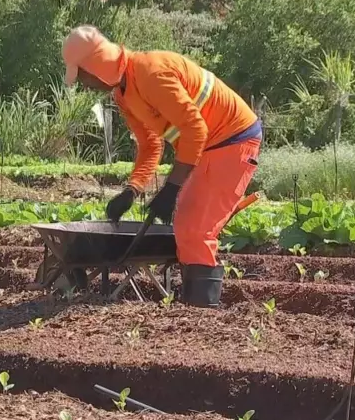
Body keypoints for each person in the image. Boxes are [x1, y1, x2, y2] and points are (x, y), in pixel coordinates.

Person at [61, 25, 262, 308]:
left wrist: (172, 188)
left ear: (97, 66)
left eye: (82, 75)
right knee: (188, 226)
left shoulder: (151, 72)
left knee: (194, 229)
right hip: (208, 146)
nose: (84, 84)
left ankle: (202, 313)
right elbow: (150, 144)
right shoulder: (123, 93)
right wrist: (132, 190)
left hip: (232, 141)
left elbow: (195, 129)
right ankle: (196, 307)